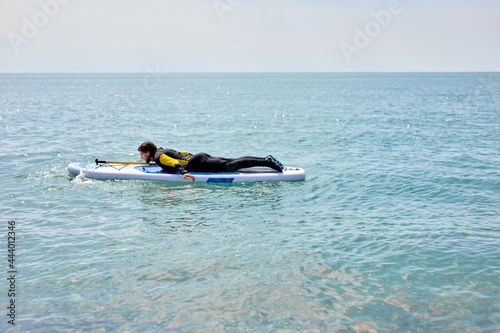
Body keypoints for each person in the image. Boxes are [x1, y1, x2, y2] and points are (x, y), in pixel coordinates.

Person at [138, 141, 284, 181]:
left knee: (231, 166)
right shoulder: (162, 150)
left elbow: (173, 163)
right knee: (234, 161)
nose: (141, 158)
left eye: (142, 155)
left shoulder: (158, 156)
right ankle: (266, 160)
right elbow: (182, 153)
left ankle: (267, 161)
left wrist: (184, 173)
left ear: (148, 152)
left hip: (196, 163)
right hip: (198, 157)